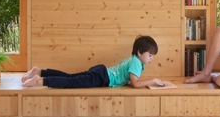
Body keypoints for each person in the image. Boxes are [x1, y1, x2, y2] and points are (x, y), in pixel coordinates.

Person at [22, 35, 170, 89]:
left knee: (70, 77)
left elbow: (131, 81)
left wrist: (127, 82)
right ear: (139, 52)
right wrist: (153, 81)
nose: (151, 59)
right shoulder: (137, 63)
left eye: (153, 56)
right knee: (71, 82)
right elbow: (136, 84)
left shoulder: (134, 59)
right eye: (150, 55)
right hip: (101, 77)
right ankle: (40, 81)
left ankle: (40, 72)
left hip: (102, 72)